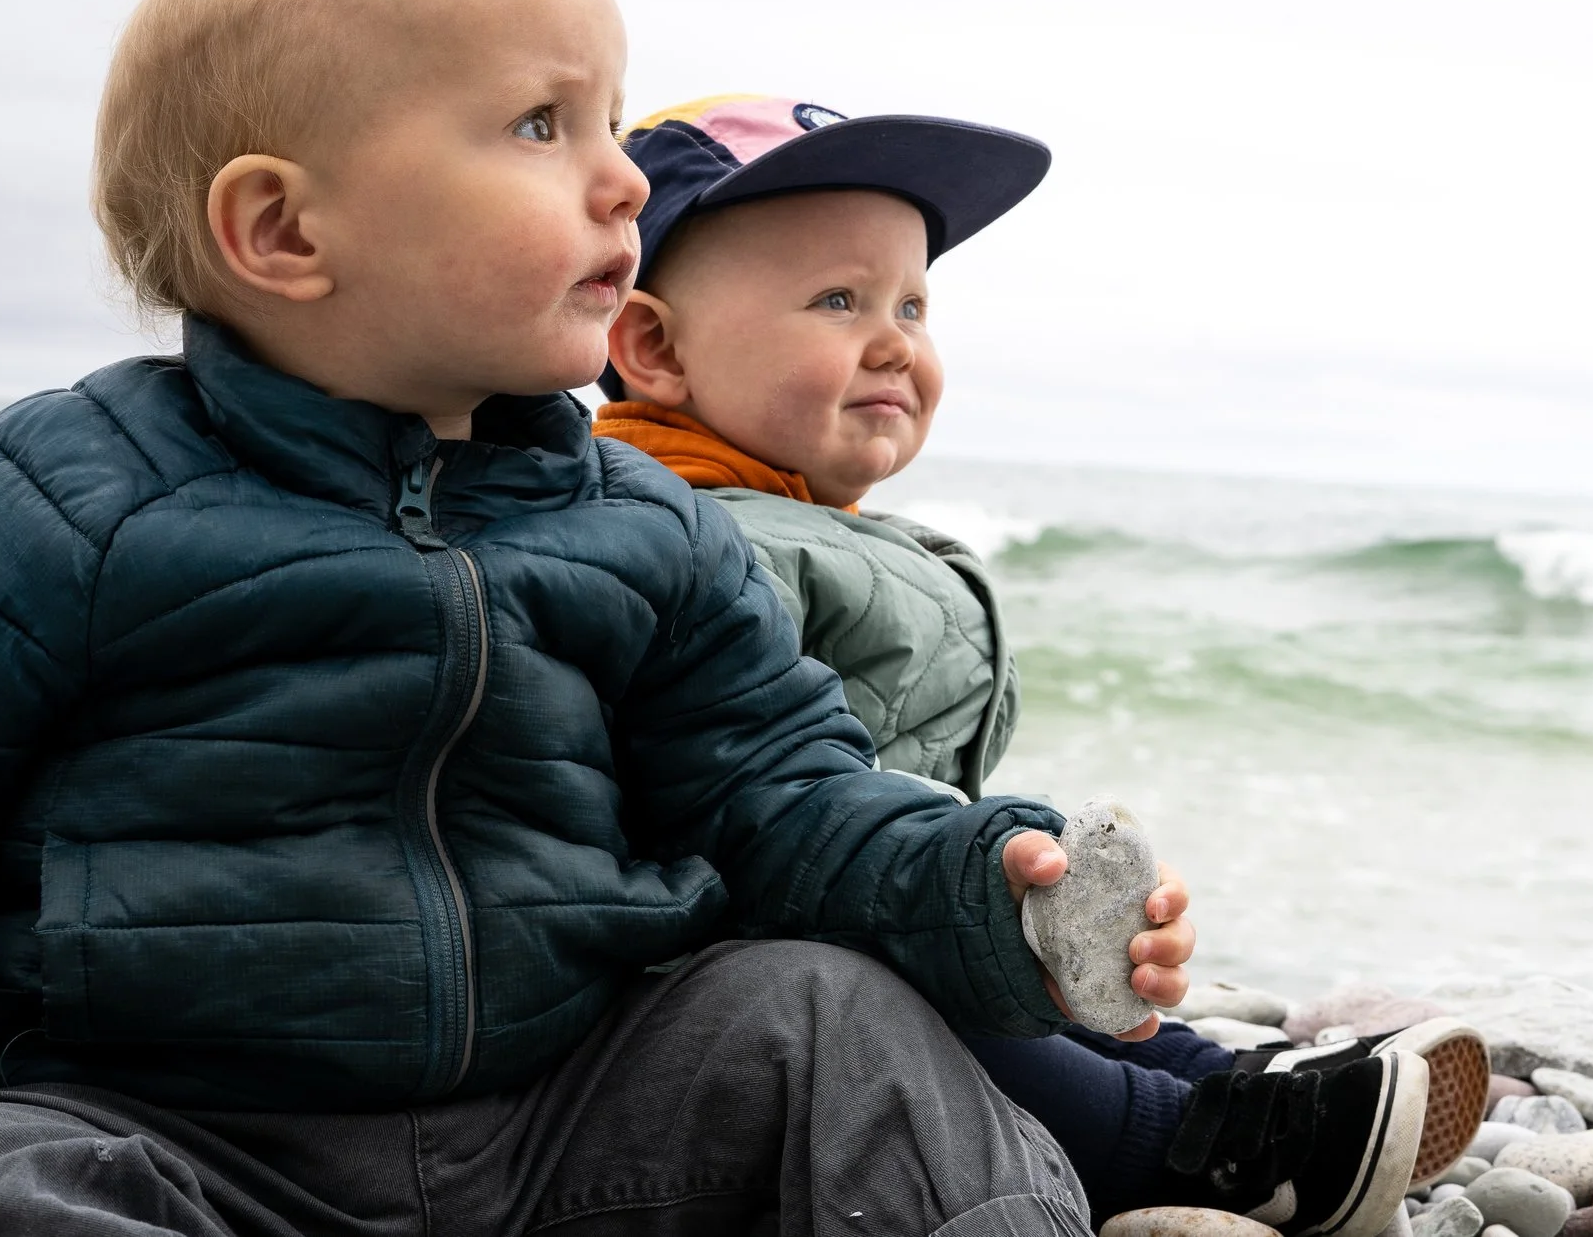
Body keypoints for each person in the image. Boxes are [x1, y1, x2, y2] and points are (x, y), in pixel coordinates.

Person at [0, 0, 1203, 1237]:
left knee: (823, 1009)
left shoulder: (648, 528)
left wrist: (981, 892)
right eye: (546, 126)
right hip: (163, 1134)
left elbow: (783, 796)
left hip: (569, 1125)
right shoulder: (55, 503)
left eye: (611, 126)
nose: (621, 183)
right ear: (283, 226)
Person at [595, 95, 1492, 1236]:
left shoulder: (816, 527)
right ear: (654, 347)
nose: (894, 341)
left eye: (912, 303)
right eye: (837, 300)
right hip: (759, 960)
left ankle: (1240, 1085)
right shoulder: (687, 542)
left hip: (897, 902)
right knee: (932, 1011)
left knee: (1049, 993)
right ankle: (1180, 1147)